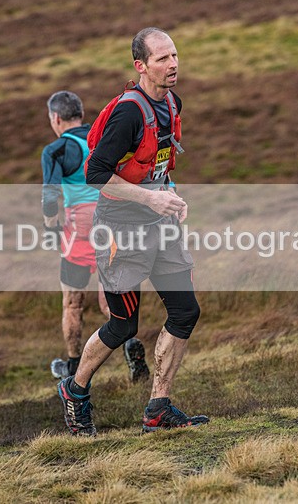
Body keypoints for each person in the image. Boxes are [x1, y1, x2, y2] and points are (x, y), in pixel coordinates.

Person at [57, 28, 209, 436]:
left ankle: (158, 407)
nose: (173, 64)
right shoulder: (128, 111)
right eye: (162, 59)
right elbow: (95, 175)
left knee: (185, 311)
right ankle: (75, 390)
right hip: (121, 229)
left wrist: (170, 197)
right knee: (123, 324)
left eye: (175, 55)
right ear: (140, 66)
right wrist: (151, 200)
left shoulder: (173, 102)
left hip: (160, 225)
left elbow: (158, 165)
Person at [41, 90, 150, 382]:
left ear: (56, 118)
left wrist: (51, 228)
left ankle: (74, 367)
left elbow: (50, 198)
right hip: (113, 220)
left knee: (73, 302)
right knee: (110, 300)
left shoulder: (56, 150)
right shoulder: (101, 137)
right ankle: (130, 345)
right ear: (81, 114)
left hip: (79, 230)